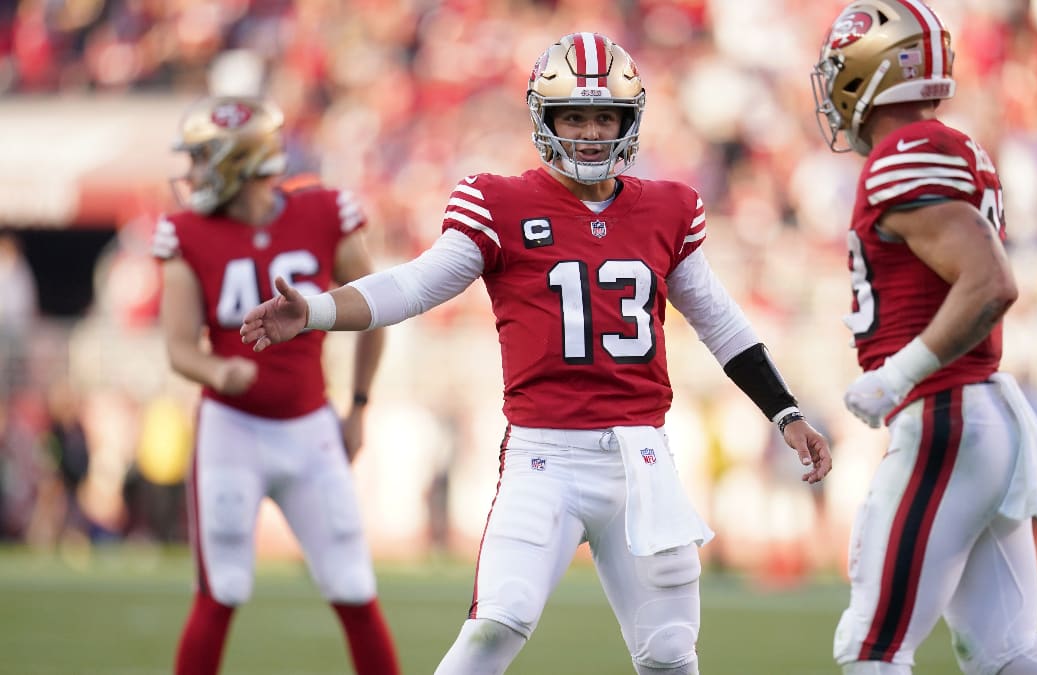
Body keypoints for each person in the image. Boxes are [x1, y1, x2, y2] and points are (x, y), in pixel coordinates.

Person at [241, 32, 832, 675]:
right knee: (499, 621)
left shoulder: (669, 208)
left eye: (604, 115)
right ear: (543, 119)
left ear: (628, 121)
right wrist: (317, 311)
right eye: (573, 115)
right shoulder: (500, 202)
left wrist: (786, 411)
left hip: (643, 460)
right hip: (545, 458)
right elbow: (413, 284)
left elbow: (721, 323)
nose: (588, 130)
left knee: (669, 653)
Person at [810, 2, 1037, 674]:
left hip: (945, 412)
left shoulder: (906, 151)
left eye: (842, 70)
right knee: (1006, 653)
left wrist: (897, 373)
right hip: (976, 412)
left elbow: (989, 283)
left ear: (873, 72)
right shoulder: (947, 146)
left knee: (871, 646)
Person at [153, 95, 399, 675]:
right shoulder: (186, 232)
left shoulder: (321, 212)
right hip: (230, 429)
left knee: (353, 583)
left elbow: (379, 308)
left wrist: (358, 406)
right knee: (223, 590)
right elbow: (179, 346)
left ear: (235, 162)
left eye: (201, 159)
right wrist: (219, 371)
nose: (190, 175)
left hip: (310, 426)